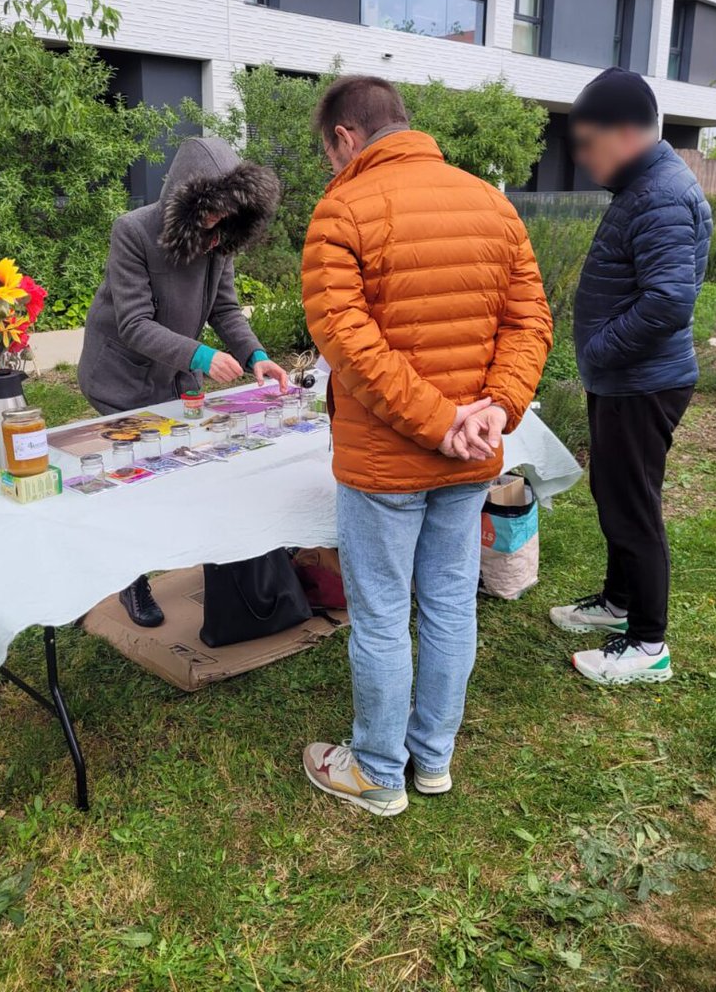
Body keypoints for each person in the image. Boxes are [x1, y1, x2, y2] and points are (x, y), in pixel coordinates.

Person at [300, 76, 552, 817]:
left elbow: (346, 341)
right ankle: (432, 760)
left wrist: (446, 420)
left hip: (388, 459)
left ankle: (380, 771)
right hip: (468, 453)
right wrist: (492, 412)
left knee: (382, 614)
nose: (330, 164)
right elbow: (530, 320)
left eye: (329, 151)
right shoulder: (491, 202)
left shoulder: (341, 208)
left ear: (346, 136)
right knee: (449, 605)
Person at [79, 135, 289, 627]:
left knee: (179, 470)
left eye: (228, 213)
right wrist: (199, 353)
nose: (217, 223)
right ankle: (130, 580)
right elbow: (133, 323)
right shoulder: (132, 230)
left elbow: (225, 307)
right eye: (210, 212)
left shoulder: (221, 240)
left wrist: (255, 354)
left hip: (175, 374)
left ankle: (176, 552)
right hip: (120, 376)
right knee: (135, 479)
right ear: (185, 198)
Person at [549, 68, 712, 686]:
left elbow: (669, 302)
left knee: (633, 508)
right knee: (615, 497)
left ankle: (648, 646)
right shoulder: (645, 187)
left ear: (623, 134)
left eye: (588, 147)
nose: (585, 161)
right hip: (627, 379)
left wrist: (599, 347)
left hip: (642, 381)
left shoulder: (663, 194)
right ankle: (618, 603)